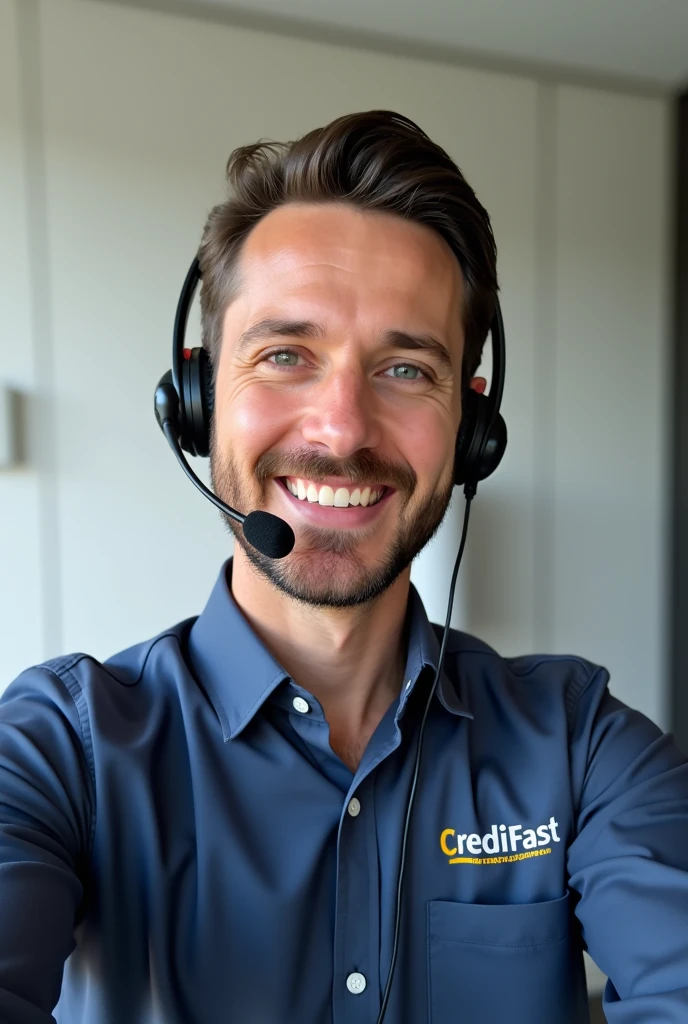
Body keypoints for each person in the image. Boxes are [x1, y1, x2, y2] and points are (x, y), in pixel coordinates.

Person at [0, 110, 686, 1024]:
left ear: (472, 430)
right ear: (200, 401)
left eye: (405, 370)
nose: (343, 429)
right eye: (286, 355)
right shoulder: (60, 752)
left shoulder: (582, 747)